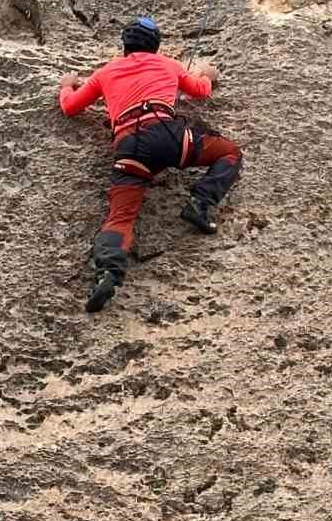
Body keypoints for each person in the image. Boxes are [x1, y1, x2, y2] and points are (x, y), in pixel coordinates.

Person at [58, 16, 243, 313]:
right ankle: (201, 202)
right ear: (156, 46)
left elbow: (69, 107)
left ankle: (107, 273)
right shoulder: (167, 64)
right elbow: (201, 90)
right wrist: (207, 74)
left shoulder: (106, 72)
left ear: (125, 45)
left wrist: (67, 85)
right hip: (167, 135)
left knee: (120, 218)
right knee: (229, 152)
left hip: (129, 145)